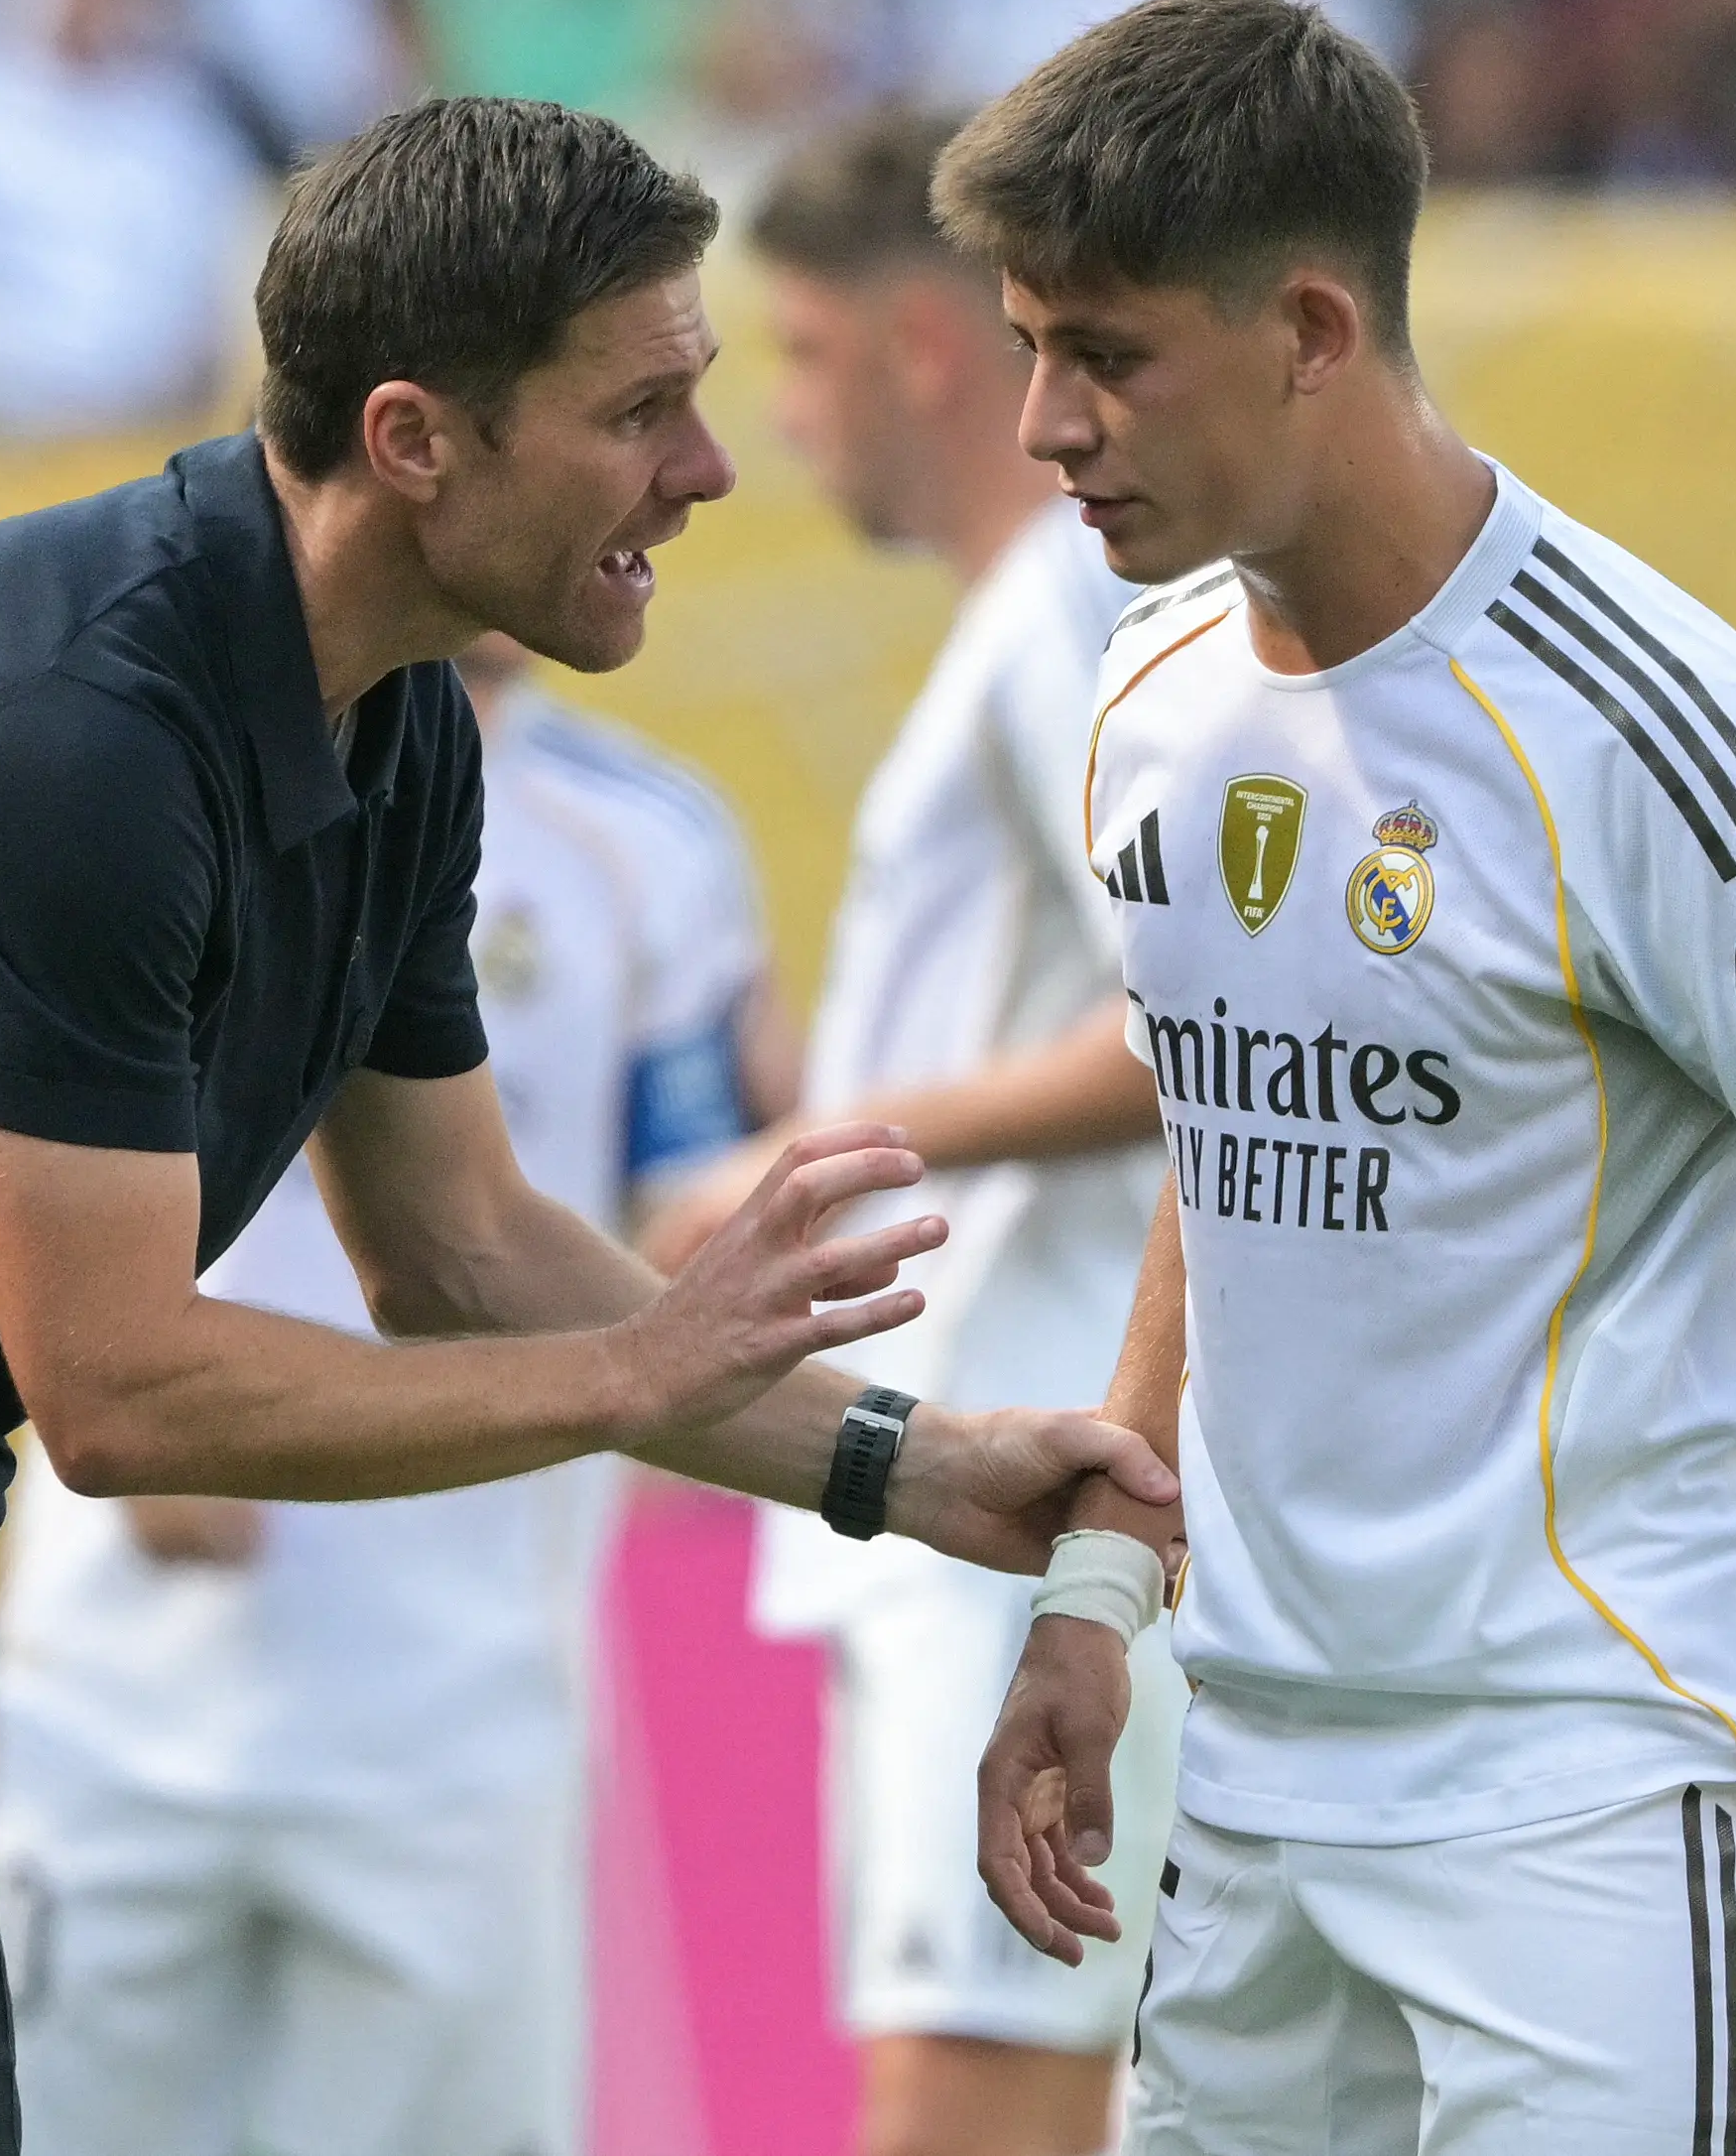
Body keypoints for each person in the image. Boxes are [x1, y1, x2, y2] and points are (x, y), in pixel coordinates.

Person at [0, 97, 1175, 2156]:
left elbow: (460, 1249)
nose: (707, 469)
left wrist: (911, 1465)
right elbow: (116, 1394)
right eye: (642, 407)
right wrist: (627, 1369)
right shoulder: (76, 737)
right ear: (413, 439)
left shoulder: (391, 728)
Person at [941, 0, 1736, 2154]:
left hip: (1588, 1776)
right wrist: (1103, 1585)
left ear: (1306, 326)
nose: (1043, 424)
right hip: (1259, 1776)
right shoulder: (1152, 689)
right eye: (1028, 346)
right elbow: (1230, 1127)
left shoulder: (1655, 733)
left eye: (1102, 355)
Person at [0, 629, 797, 2156]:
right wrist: (124, 1385)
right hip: (105, 1710)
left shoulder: (648, 843)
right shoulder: (117, 773)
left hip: (453, 1727)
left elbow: (695, 1245)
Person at [646, 109, 1183, 2156]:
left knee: (979, 2097)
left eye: (793, 354)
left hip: (1014, 1463)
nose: (773, 419)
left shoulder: (1065, 608)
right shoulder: (1031, 617)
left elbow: (1197, 1021)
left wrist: (828, 1153)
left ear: (924, 349)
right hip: (999, 1455)